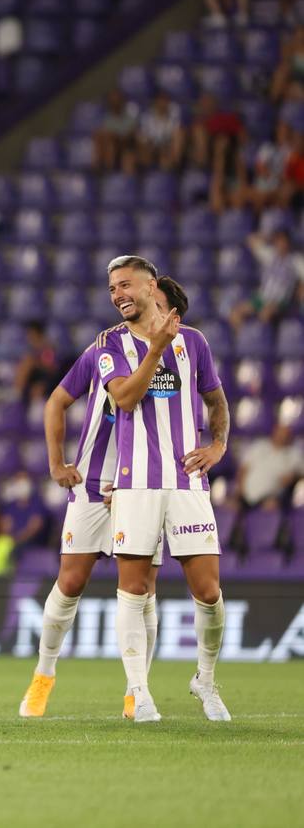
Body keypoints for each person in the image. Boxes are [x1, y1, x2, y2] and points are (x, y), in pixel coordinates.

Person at [20, 275, 190, 719]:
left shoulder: (181, 360)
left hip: (146, 485)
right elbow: (56, 401)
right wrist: (57, 464)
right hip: (96, 482)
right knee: (71, 582)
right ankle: (44, 674)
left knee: (143, 589)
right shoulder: (106, 349)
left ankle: (138, 690)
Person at [99, 256, 231, 723]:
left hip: (187, 483)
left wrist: (218, 444)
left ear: (150, 286)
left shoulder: (194, 342)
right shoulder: (110, 345)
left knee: (209, 592)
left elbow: (216, 399)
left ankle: (206, 681)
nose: (118, 294)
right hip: (135, 487)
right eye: (112, 288)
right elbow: (126, 398)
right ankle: (139, 691)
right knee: (133, 591)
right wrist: (155, 347)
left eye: (126, 285)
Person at [230, 422, 303, 554]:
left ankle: (271, 547)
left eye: (286, 434)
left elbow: (301, 474)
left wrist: (293, 477)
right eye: (280, 433)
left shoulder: (293, 454)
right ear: (274, 432)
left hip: (271, 498)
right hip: (245, 495)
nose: (282, 436)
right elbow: (243, 469)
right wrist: (239, 491)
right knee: (227, 508)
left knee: (270, 510)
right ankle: (233, 546)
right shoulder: (259, 447)